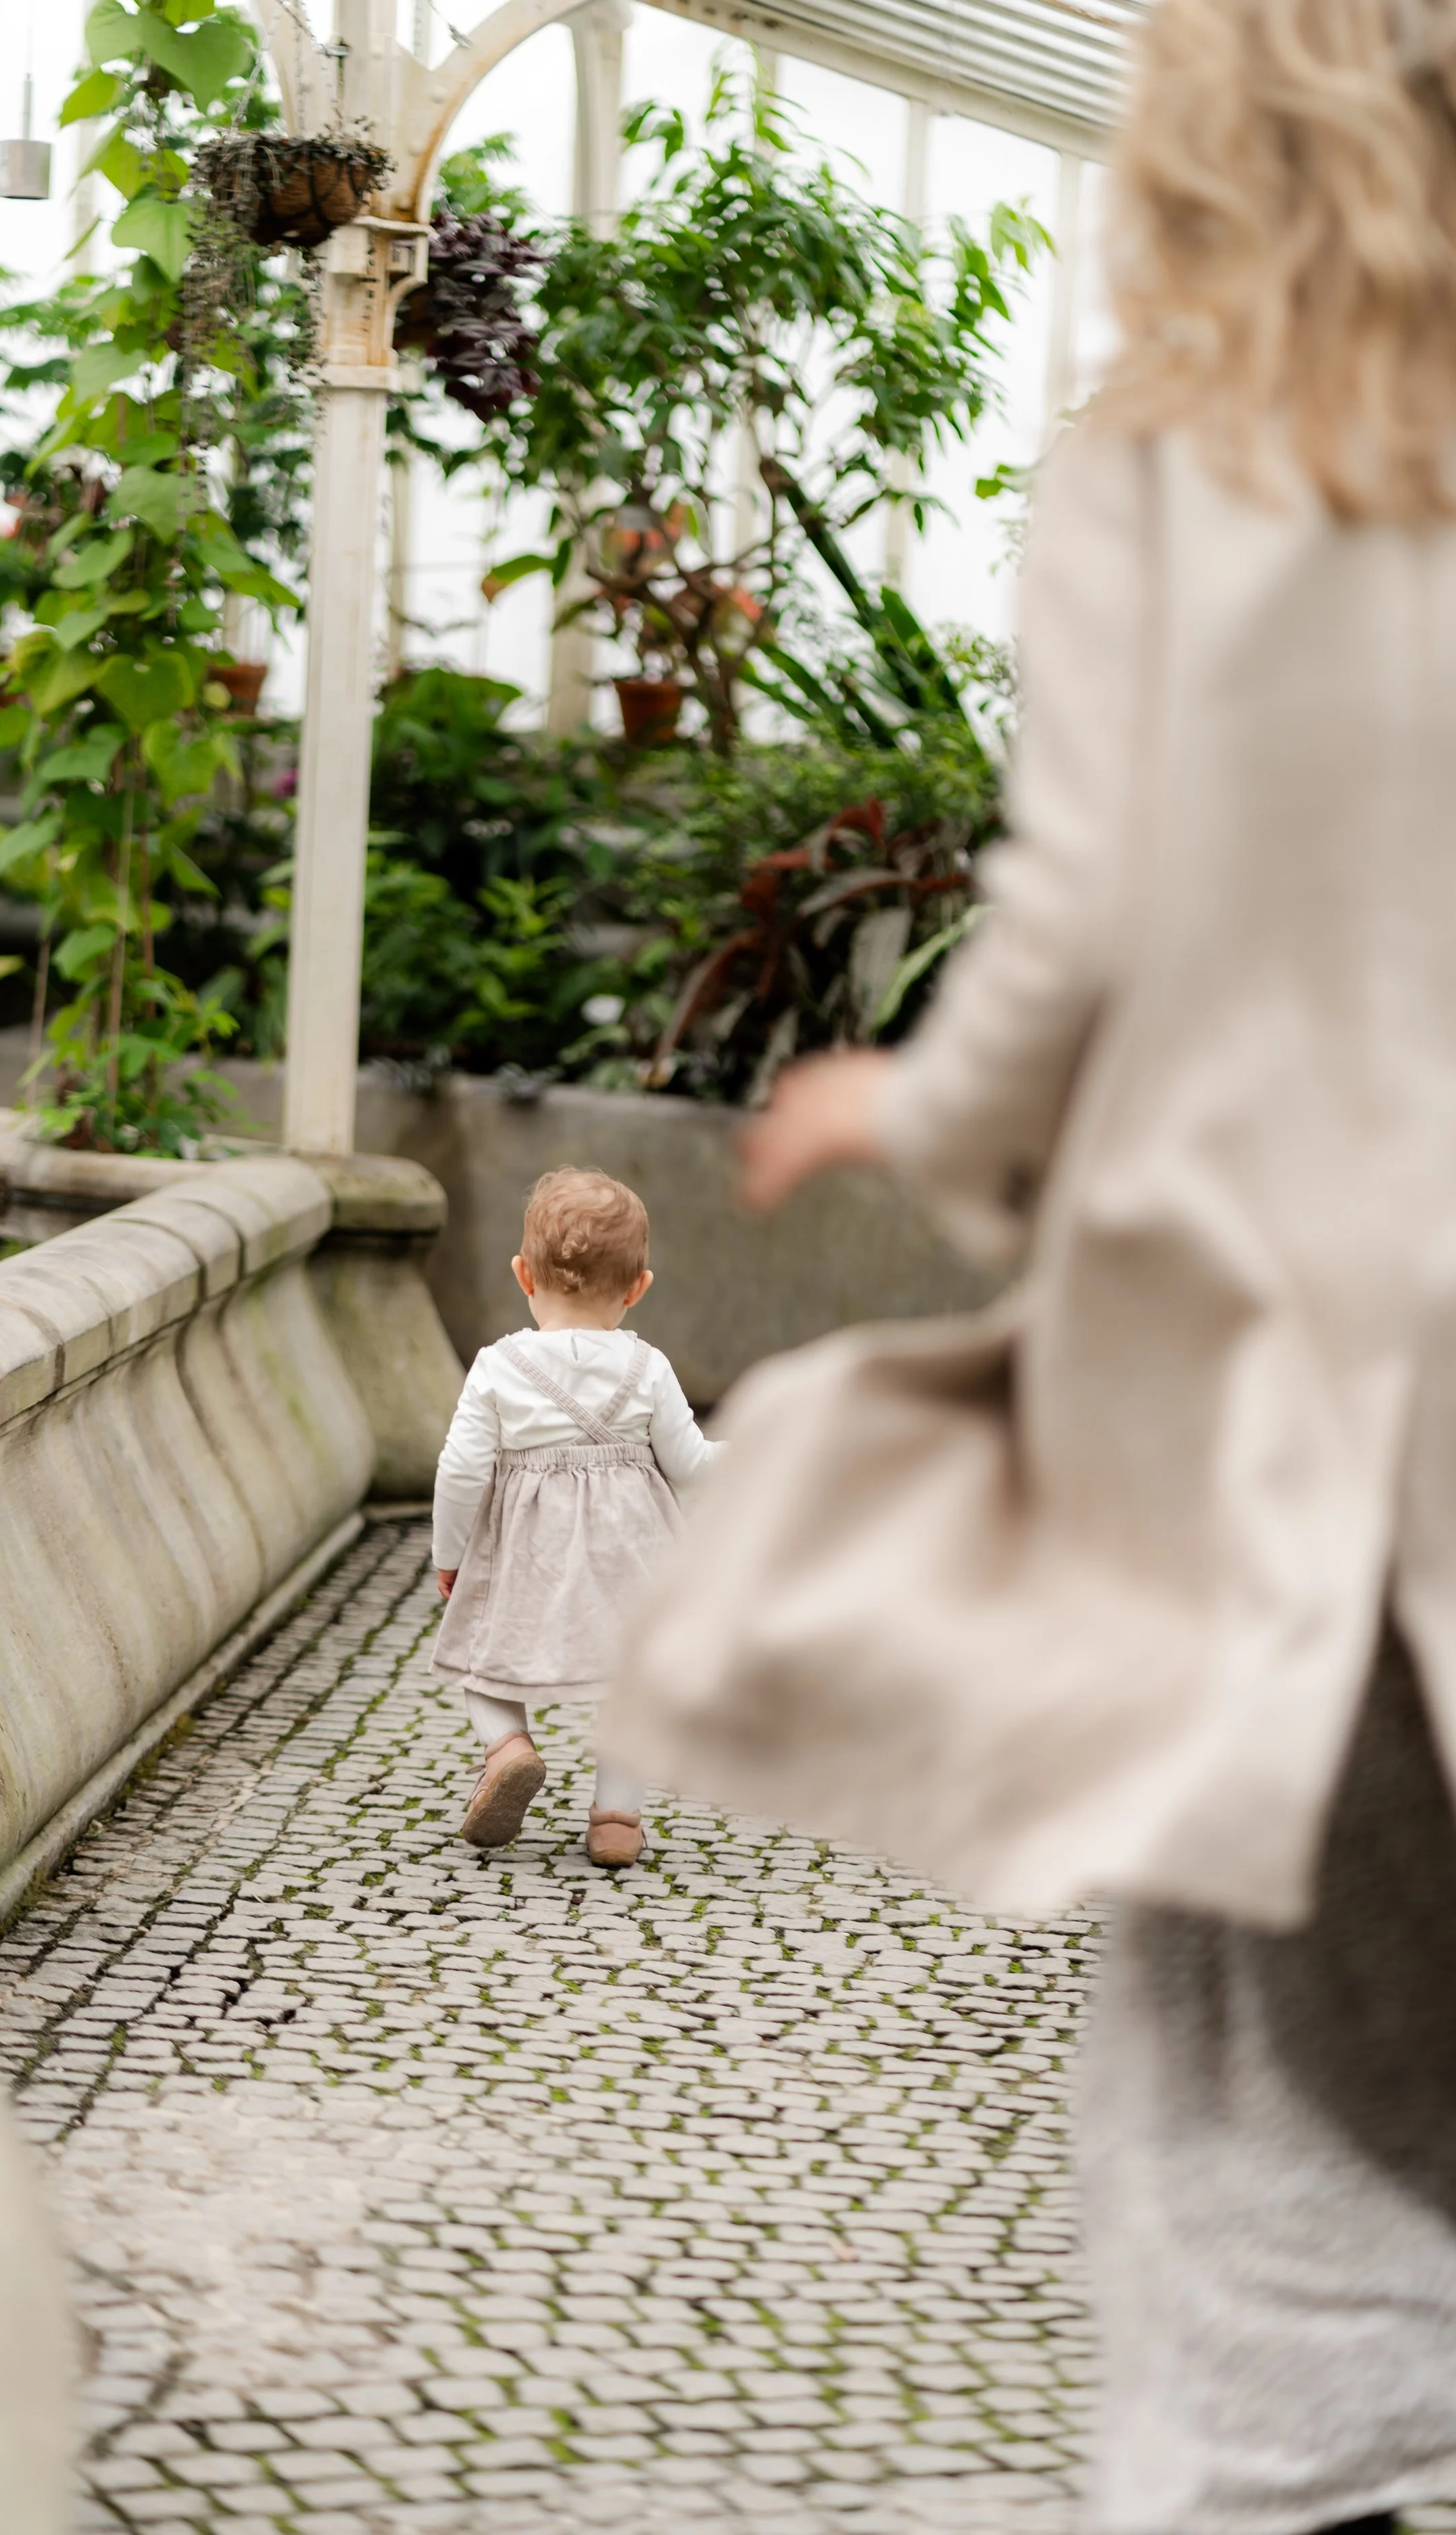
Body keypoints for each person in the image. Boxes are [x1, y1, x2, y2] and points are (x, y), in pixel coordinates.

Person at [667, 1, 1456, 2526]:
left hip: (1294, 1395)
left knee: (1254, 2134)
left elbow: (1091, 902)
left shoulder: (1183, 451)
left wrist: (920, 1099)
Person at [432, 1166, 719, 1868]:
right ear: (637, 1287)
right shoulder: (647, 1367)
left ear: (523, 1276)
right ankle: (616, 1819)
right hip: (631, 1557)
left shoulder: (497, 1368)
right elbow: (690, 1465)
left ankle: (508, 1749)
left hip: (525, 1551)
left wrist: (452, 1551)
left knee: (482, 1659)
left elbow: (460, 1468)